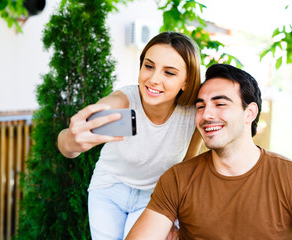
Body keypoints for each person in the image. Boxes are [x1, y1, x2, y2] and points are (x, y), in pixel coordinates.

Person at [126, 63, 292, 240]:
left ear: (249, 113)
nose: (206, 115)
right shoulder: (178, 179)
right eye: (200, 106)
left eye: (220, 104)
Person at [57, 31, 203, 239]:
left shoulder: (191, 115)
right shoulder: (126, 101)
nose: (153, 79)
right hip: (109, 190)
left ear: (186, 82)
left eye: (169, 73)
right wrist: (71, 140)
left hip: (154, 198)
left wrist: (178, 216)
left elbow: (187, 166)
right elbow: (72, 138)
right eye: (149, 66)